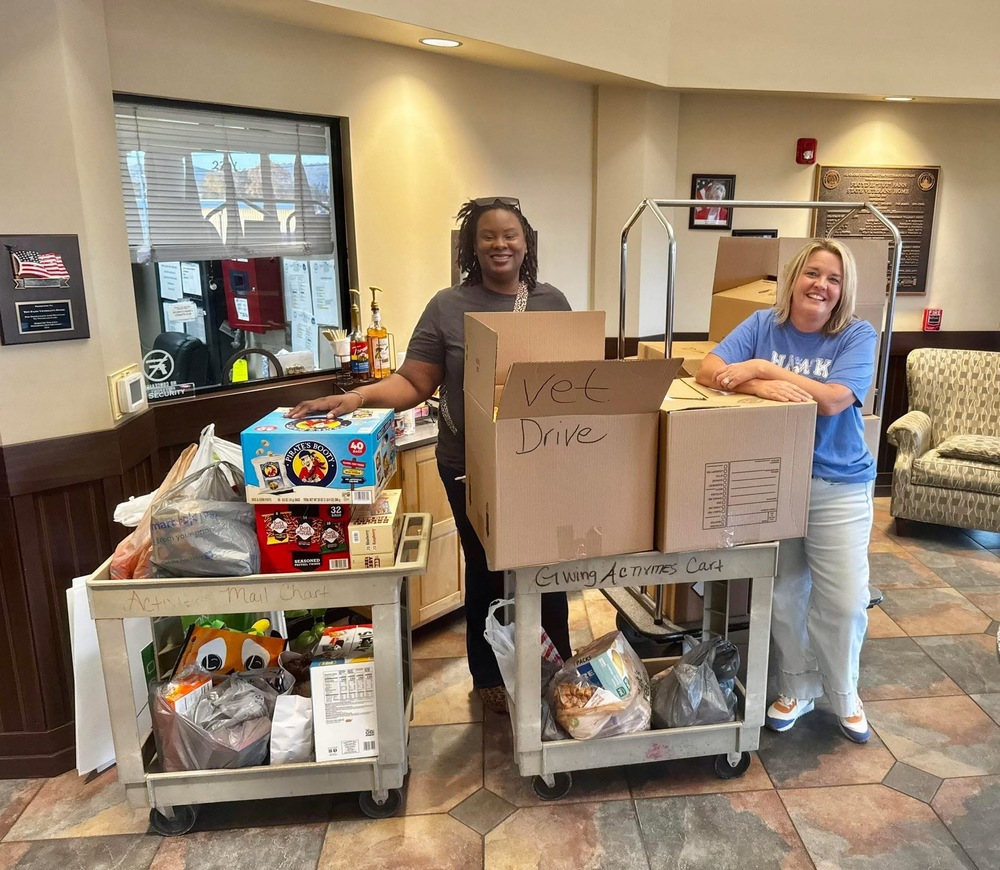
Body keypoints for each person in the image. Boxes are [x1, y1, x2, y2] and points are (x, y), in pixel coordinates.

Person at [287, 197, 573, 713]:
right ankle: (488, 675)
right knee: (487, 566)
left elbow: (575, 382)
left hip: (541, 461)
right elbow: (415, 381)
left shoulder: (553, 302)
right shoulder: (448, 305)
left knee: (546, 565)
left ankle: (559, 671)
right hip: (468, 462)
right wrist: (353, 399)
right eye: (488, 236)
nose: (500, 244)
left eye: (510, 235)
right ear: (472, 245)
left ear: (526, 242)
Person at [695, 238, 876, 743]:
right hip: (775, 479)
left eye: (834, 279)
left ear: (843, 292)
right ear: (794, 278)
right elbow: (708, 368)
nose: (821, 285)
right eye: (813, 273)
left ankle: (844, 693)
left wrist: (760, 368)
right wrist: (754, 386)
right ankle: (795, 686)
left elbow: (835, 400)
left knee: (843, 600)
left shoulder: (856, 335)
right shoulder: (761, 325)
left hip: (837, 481)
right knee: (785, 593)